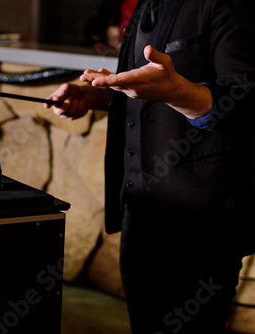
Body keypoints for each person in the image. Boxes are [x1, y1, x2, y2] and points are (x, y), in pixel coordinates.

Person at [45, 0, 255, 333]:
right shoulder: (145, 5)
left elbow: (246, 100)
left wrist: (178, 91)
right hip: (141, 214)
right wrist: (97, 96)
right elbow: (147, 91)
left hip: (201, 223)